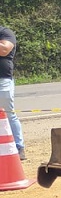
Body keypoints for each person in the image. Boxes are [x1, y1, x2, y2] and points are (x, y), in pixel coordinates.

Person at [0, 24, 25, 160]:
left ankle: (18, 146)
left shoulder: (5, 32)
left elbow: (4, 49)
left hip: (2, 80)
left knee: (8, 114)